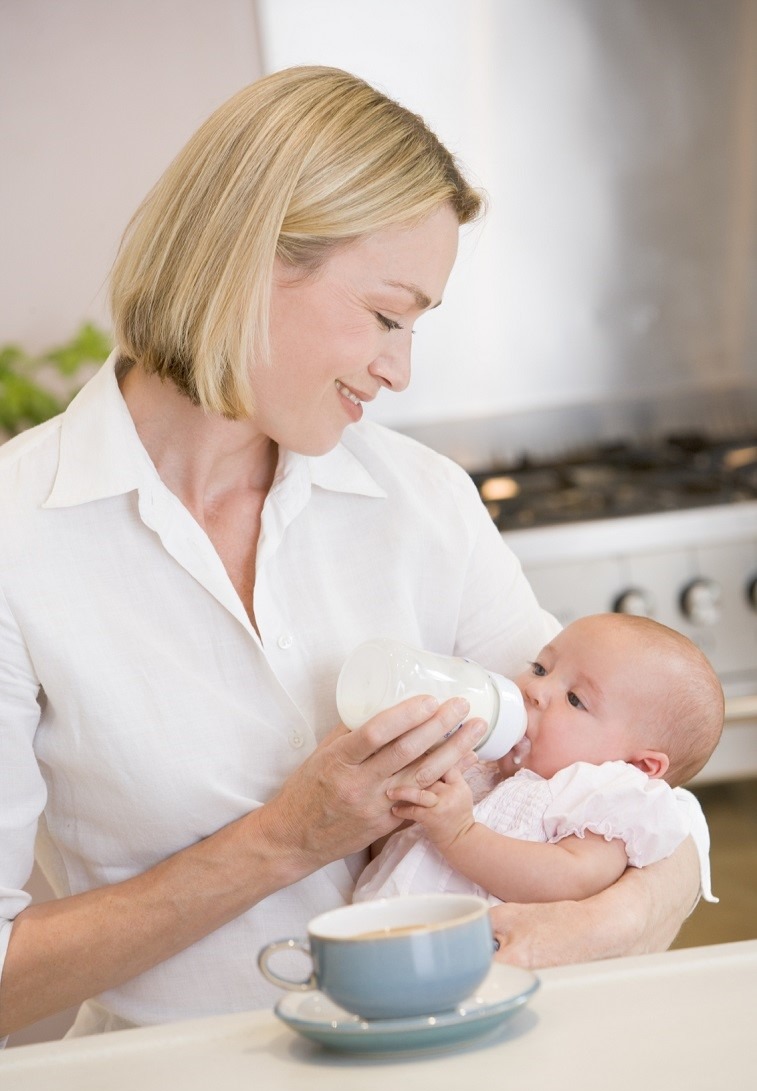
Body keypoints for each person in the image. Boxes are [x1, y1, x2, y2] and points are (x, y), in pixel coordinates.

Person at [0, 66, 709, 1041]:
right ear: (247, 259)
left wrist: (608, 919)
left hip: (461, 1067)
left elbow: (624, 779)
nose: (398, 368)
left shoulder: (418, 504)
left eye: (415, 328)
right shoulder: (21, 539)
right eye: (385, 316)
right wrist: (284, 841)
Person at [354, 613, 724, 904]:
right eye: (540, 668)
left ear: (638, 767)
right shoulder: (482, 766)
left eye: (575, 699)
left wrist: (461, 834)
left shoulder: (601, 796)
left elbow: (570, 878)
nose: (535, 690)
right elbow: (401, 851)